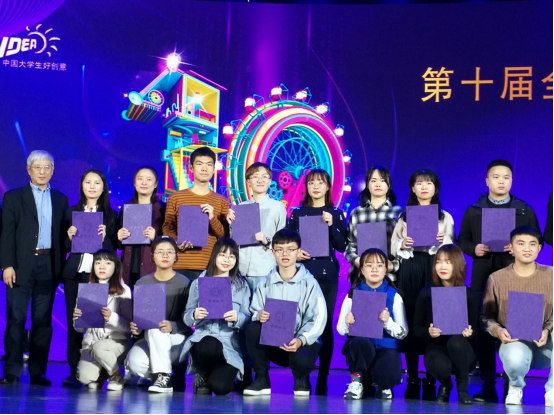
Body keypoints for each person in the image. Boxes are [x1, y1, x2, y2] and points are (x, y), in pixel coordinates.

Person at [457, 160, 540, 403]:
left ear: (512, 181)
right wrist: (474, 248)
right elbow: (462, 240)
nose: (501, 181)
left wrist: (518, 248)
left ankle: (512, 385)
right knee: (485, 331)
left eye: (506, 177)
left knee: (514, 329)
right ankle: (488, 385)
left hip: (517, 278)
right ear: (487, 181)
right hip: (483, 278)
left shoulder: (523, 210)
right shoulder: (475, 210)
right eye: (496, 177)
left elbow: (538, 241)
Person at [0, 151, 69, 386]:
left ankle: (38, 372)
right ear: (28, 170)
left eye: (47, 167)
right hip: (20, 266)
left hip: (49, 265)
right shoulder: (13, 197)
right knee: (16, 318)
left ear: (53, 170)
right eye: (37, 167)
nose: (42, 171)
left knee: (43, 321)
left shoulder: (60, 199)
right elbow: (6, 234)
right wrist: (7, 265)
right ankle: (11, 371)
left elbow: (63, 239)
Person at [391, 169, 455, 401]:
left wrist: (442, 240)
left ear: (436, 188)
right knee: (410, 317)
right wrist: (402, 243)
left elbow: (452, 248)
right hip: (409, 268)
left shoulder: (445, 217)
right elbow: (392, 246)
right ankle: (412, 378)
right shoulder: (403, 217)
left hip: (433, 266)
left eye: (429, 183)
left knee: (432, 318)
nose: (424, 187)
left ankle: (430, 378)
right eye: (419, 183)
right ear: (412, 188)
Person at [244, 230, 327, 397]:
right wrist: (259, 315)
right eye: (279, 249)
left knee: (302, 361)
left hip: (301, 343)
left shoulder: (310, 283)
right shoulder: (265, 283)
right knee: (252, 328)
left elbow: (319, 317)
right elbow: (254, 310)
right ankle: (262, 379)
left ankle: (301, 378)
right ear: (273, 252)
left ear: (298, 251)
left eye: (290, 249)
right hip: (274, 342)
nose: (285, 254)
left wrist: (301, 339)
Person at [288, 169, 347, 395]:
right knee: (300, 323)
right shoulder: (297, 214)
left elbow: (342, 245)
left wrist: (331, 225)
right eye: (311, 182)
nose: (315, 186)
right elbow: (288, 243)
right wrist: (296, 252)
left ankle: (323, 376)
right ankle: (301, 375)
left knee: (324, 325)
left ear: (328, 186)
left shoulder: (336, 213)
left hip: (327, 275)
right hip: (301, 274)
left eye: (320, 182)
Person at [481, 226, 552, 408]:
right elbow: (486, 317)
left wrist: (547, 330)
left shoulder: (551, 275)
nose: (527, 248)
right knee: (515, 357)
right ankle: (515, 386)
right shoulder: (497, 278)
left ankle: (552, 391)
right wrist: (498, 331)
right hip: (513, 342)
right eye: (521, 244)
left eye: (532, 244)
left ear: (539, 248)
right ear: (511, 248)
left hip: (546, 345)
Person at [61, 169, 119, 387]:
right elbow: (64, 246)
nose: (92, 186)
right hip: (74, 274)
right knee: (74, 321)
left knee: (96, 321)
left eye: (97, 183)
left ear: (103, 187)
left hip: (98, 276)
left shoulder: (111, 215)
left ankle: (99, 369)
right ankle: (74, 370)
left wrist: (104, 239)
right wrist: (69, 238)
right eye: (88, 182)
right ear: (82, 186)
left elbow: (113, 249)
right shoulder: (70, 212)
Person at [181, 238, 251, 396]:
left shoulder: (242, 285)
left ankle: (213, 375)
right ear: (214, 256)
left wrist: (237, 317)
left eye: (232, 256)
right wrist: (194, 314)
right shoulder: (199, 283)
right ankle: (202, 373)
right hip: (204, 338)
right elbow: (186, 316)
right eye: (222, 255)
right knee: (208, 345)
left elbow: (248, 318)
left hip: (229, 343)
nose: (227, 260)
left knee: (221, 388)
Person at [337, 248, 408, 401]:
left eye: (379, 265)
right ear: (362, 270)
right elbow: (340, 329)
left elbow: (403, 332)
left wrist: (388, 322)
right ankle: (357, 382)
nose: (374, 269)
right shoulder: (352, 294)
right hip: (362, 348)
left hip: (386, 347)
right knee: (358, 342)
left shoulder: (395, 296)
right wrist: (347, 323)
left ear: (386, 270)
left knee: (387, 377)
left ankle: (382, 384)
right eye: (369, 265)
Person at [414, 245, 480, 405]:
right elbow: (416, 328)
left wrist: (469, 333)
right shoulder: (426, 293)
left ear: (458, 264)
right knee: (438, 363)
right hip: (437, 348)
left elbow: (476, 330)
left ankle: (462, 389)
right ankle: (445, 384)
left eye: (448, 262)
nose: (442, 266)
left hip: (463, 351)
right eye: (438, 262)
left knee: (456, 342)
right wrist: (429, 332)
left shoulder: (469, 295)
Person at [125, 236, 191, 394]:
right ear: (152, 256)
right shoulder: (142, 283)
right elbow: (139, 318)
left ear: (176, 256)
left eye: (170, 252)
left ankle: (164, 378)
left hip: (177, 339)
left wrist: (173, 326)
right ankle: (160, 377)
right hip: (151, 339)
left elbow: (191, 320)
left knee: (157, 328)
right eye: (160, 252)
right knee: (134, 363)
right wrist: (136, 329)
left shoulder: (185, 283)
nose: (165, 255)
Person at [162, 147, 229, 282]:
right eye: (199, 164)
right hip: (180, 264)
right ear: (191, 168)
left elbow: (223, 235)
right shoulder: (176, 198)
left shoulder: (221, 201)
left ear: (214, 169)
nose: (204, 168)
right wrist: (176, 243)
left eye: (209, 164)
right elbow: (168, 227)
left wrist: (212, 218)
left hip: (209, 266)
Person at [73, 250, 132, 391]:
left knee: (100, 348)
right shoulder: (87, 289)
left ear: (116, 266)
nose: (102, 266)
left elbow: (129, 327)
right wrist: (77, 319)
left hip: (116, 343)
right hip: (92, 344)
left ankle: (116, 375)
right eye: (98, 263)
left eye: (108, 263)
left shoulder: (124, 291)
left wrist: (111, 317)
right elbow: (79, 329)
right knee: (84, 378)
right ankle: (104, 372)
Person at [226, 162, 287, 294]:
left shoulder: (277, 207)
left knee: (262, 306)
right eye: (255, 176)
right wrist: (230, 225)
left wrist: (266, 241)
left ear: (270, 181)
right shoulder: (240, 207)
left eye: (265, 176)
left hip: (264, 269)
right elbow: (233, 241)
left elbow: (282, 241)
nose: (260, 180)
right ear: (248, 181)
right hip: (240, 269)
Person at [345, 166, 402, 282]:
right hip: (360, 277)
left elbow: (405, 247)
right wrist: (357, 260)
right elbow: (349, 245)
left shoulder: (398, 213)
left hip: (389, 279)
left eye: (382, 180)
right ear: (367, 184)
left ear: (389, 185)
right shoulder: (356, 213)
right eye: (373, 180)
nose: (378, 184)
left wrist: (393, 265)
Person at [117, 167, 166, 289]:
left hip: (152, 267)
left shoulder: (163, 210)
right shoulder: (126, 208)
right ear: (134, 183)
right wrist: (119, 238)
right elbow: (118, 245)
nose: (144, 183)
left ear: (155, 184)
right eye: (140, 179)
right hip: (128, 267)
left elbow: (169, 241)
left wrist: (156, 238)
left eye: (149, 179)